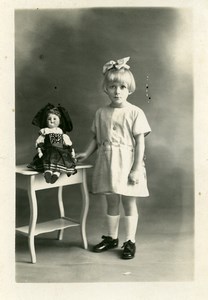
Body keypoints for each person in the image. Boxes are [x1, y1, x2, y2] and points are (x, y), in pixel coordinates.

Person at [76, 57, 151, 259]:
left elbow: (140, 143)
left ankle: (129, 241)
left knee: (128, 202)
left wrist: (136, 168)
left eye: (122, 87)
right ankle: (111, 237)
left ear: (130, 89)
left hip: (127, 163)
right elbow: (95, 137)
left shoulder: (135, 112)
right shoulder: (101, 113)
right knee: (111, 201)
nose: (117, 91)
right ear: (106, 89)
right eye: (112, 86)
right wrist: (86, 152)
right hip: (107, 162)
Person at [28, 103, 77, 184]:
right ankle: (48, 172)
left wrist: (72, 153)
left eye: (54, 118)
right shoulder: (45, 131)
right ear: (46, 121)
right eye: (49, 119)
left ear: (60, 121)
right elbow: (39, 142)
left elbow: (68, 145)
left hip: (61, 151)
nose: (52, 120)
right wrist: (39, 151)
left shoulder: (62, 134)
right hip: (48, 150)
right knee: (48, 157)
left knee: (62, 160)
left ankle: (56, 173)